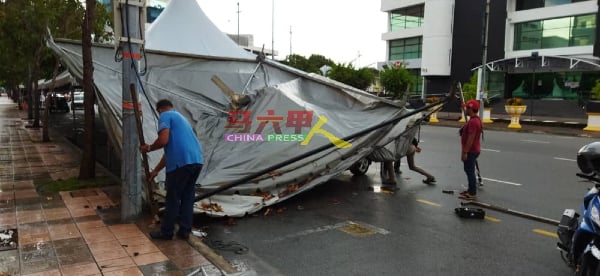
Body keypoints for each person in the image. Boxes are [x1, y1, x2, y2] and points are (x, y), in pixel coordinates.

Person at [140, 99, 204, 240]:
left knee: (173, 198)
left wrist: (149, 148)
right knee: (187, 197)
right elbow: (169, 152)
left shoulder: (165, 115)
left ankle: (166, 232)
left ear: (160, 110)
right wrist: (156, 170)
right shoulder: (182, 119)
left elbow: (163, 140)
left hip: (180, 165)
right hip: (196, 161)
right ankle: (184, 231)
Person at [459, 99, 483, 200]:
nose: (465, 109)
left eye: (467, 108)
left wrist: (465, 152)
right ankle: (470, 190)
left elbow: (470, 138)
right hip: (474, 150)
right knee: (468, 170)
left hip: (471, 150)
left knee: (469, 171)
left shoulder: (473, 122)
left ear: (471, 109)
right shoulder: (475, 120)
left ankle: (472, 193)